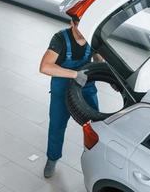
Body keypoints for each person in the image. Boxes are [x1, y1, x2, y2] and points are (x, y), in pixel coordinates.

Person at [39, 18, 104, 178]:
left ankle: (94, 158)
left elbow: (99, 60)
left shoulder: (92, 36)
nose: (83, 31)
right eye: (80, 26)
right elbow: (45, 66)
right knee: (57, 126)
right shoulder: (60, 39)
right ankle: (52, 158)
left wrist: (105, 70)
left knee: (94, 126)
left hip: (86, 89)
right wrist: (74, 74)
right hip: (62, 90)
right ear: (72, 23)